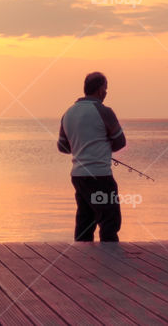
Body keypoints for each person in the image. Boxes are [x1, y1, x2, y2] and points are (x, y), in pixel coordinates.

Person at [58, 71, 126, 242]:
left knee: (85, 220)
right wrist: (103, 147)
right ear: (100, 89)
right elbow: (120, 142)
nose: (106, 92)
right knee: (110, 220)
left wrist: (81, 146)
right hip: (100, 175)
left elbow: (63, 147)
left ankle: (82, 261)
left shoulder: (68, 113)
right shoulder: (104, 112)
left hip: (78, 176)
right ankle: (111, 261)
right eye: (106, 88)